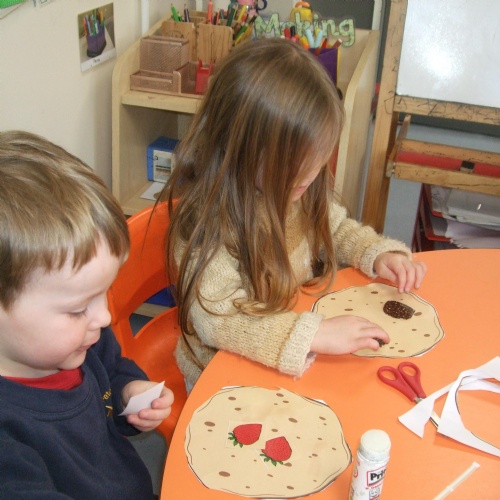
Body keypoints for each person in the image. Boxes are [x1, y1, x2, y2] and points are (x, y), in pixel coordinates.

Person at [161, 38, 427, 391]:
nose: (311, 175)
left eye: (319, 158)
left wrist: (376, 253)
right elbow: (218, 320)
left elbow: (336, 228)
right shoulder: (204, 223)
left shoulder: (297, 189)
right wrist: (314, 334)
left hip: (289, 347)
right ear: (238, 146)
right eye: (294, 164)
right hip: (222, 375)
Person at [0, 131, 174, 499]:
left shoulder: (83, 340)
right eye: (79, 308)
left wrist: (129, 394)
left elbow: (112, 369)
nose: (105, 318)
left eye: (103, 295)